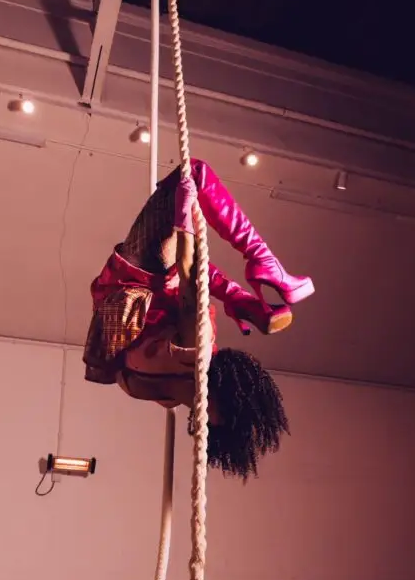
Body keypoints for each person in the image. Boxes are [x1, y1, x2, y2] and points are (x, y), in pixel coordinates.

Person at [83, 159, 315, 479]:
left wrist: (184, 221)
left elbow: (190, 274)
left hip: (141, 274)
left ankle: (263, 268)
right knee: (181, 270)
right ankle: (244, 299)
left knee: (193, 173)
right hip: (143, 282)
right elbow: (186, 281)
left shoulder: (196, 351)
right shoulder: (159, 394)